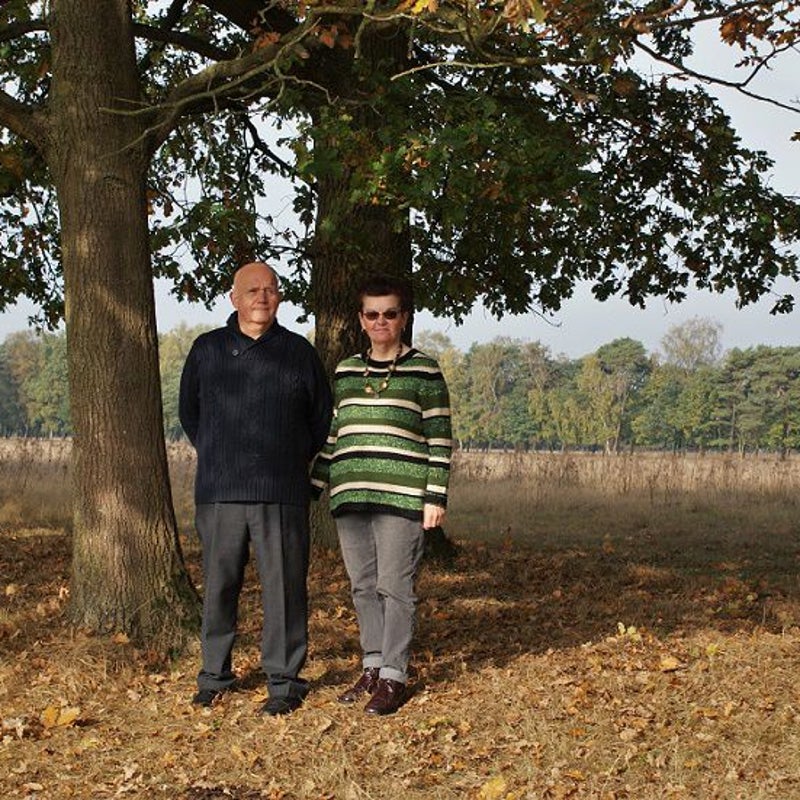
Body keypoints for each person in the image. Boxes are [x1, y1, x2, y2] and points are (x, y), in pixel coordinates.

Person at [179, 261, 333, 716]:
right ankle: (214, 676)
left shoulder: (299, 352)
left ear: (279, 298)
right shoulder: (207, 350)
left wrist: (289, 459)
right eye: (252, 290)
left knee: (284, 589)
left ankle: (284, 681)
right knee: (219, 586)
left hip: (282, 490)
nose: (261, 297)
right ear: (233, 298)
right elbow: (191, 415)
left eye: (270, 290)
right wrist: (219, 452)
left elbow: (321, 419)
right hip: (220, 490)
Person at [311, 273, 453, 715]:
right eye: (372, 314)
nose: (380, 321)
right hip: (351, 494)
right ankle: (371, 666)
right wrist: (314, 482)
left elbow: (440, 436)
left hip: (403, 497)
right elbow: (337, 431)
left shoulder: (424, 370)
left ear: (403, 318)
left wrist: (436, 496)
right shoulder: (348, 370)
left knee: (395, 587)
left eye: (389, 313)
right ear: (361, 319)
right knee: (363, 586)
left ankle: (394, 676)